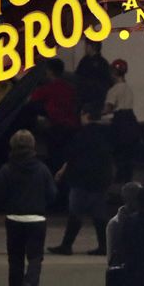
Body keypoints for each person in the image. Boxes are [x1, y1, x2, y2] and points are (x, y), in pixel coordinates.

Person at [0, 130, 57, 286]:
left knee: (15, 258)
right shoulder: (42, 169)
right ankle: (30, 283)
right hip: (36, 219)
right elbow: (52, 194)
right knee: (35, 257)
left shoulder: (6, 169)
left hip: (14, 218)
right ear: (33, 146)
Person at [47, 106, 114, 256]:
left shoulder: (82, 134)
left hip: (82, 179)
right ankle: (104, 246)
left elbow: (72, 155)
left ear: (86, 115)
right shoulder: (106, 134)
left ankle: (66, 245)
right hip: (101, 179)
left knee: (75, 212)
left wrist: (63, 171)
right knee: (99, 215)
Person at [105, 59, 140, 182]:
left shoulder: (113, 90)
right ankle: (128, 181)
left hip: (119, 124)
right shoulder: (128, 89)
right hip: (131, 121)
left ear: (114, 72)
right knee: (128, 157)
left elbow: (108, 109)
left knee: (118, 156)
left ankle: (119, 183)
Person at [75, 40, 111, 115]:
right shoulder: (103, 62)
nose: (85, 48)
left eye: (86, 46)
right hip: (96, 99)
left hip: (91, 99)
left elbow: (78, 78)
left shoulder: (86, 61)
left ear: (91, 47)